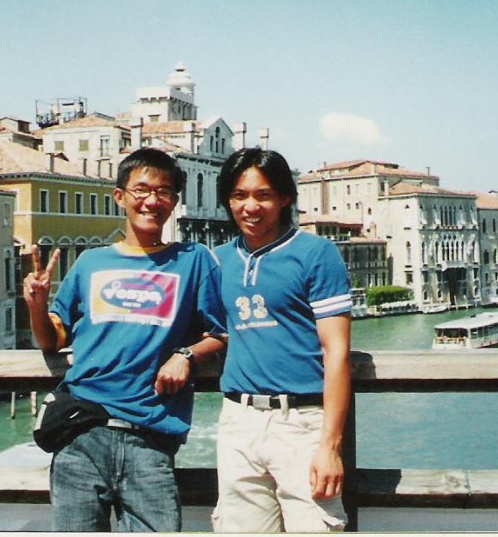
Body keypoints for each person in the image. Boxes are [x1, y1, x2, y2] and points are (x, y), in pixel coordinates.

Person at [24, 147, 227, 532]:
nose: (152, 200)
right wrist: (36, 304)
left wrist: (186, 354)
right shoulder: (90, 263)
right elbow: (52, 340)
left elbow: (218, 334)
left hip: (151, 440)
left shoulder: (195, 259)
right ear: (120, 197)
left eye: (164, 192)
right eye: (142, 190)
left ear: (174, 202)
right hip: (81, 434)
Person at [211, 147, 353, 533]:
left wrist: (330, 446)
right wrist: (183, 355)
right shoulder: (219, 260)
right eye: (239, 196)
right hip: (238, 422)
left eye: (263, 195)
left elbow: (336, 352)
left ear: (285, 198)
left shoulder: (316, 254)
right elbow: (215, 331)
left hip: (303, 424)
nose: (250, 207)